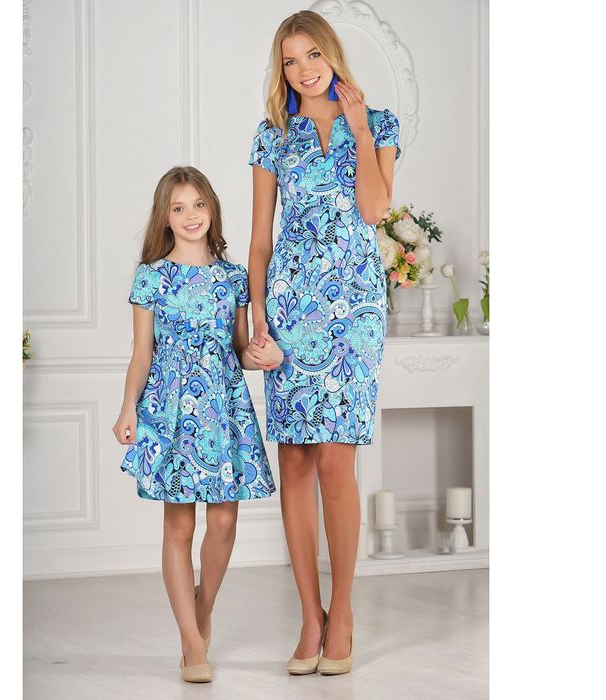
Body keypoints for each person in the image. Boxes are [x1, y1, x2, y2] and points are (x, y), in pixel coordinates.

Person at [247, 10, 402, 676]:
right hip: (289, 313)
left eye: (313, 54)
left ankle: (343, 613)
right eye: (290, 60)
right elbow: (259, 239)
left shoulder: (381, 125)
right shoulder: (272, 136)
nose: (303, 69)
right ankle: (309, 617)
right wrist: (257, 317)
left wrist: (361, 130)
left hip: (355, 314)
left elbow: (374, 209)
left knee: (337, 462)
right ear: (281, 70)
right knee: (296, 464)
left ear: (332, 54)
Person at [112, 166, 282, 683]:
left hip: (223, 407)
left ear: (212, 208)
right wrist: (127, 408)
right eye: (179, 207)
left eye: (198, 204)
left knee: (224, 522)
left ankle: (203, 606)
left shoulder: (233, 278)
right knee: (180, 524)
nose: (191, 216)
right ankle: (191, 642)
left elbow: (239, 349)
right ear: (165, 217)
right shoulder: (151, 277)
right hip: (170, 410)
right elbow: (142, 353)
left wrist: (262, 355)